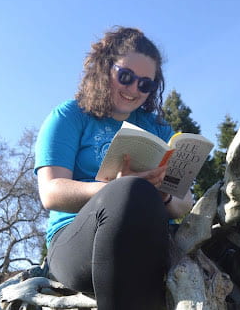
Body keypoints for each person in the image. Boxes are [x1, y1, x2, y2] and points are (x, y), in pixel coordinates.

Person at [34, 26, 193, 310]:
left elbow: (185, 203)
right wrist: (115, 188)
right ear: (106, 68)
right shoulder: (70, 116)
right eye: (126, 77)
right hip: (78, 243)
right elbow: (51, 192)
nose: (134, 90)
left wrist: (163, 194)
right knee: (128, 192)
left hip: (153, 239)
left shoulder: (158, 128)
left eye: (145, 84)